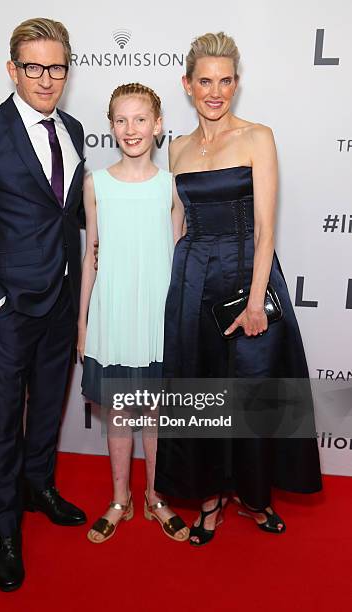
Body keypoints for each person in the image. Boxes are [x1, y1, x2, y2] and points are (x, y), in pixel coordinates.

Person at [154, 32, 322, 546]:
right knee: (200, 389)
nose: (215, 91)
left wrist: (256, 302)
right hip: (193, 278)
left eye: (225, 81)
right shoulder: (178, 148)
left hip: (248, 273)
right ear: (187, 84)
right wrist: (173, 292)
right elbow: (177, 224)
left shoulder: (257, 137)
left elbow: (267, 228)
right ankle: (208, 500)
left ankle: (253, 495)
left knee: (252, 391)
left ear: (236, 84)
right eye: (205, 80)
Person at [0, 18, 86, 591]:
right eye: (34, 67)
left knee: (49, 404)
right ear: (12, 69)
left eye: (56, 67)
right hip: (9, 307)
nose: (46, 79)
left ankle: (40, 486)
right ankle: (5, 532)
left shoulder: (73, 128)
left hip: (62, 300)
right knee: (5, 421)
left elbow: (68, 216)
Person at [77, 83, 189, 544]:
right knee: (122, 413)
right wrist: (83, 324)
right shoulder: (95, 184)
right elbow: (90, 257)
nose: (131, 129)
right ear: (111, 128)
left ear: (158, 125)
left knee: (157, 416)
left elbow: (179, 254)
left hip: (159, 317)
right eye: (120, 120)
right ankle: (120, 498)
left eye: (140, 119)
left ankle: (156, 497)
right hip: (113, 315)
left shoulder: (172, 186)